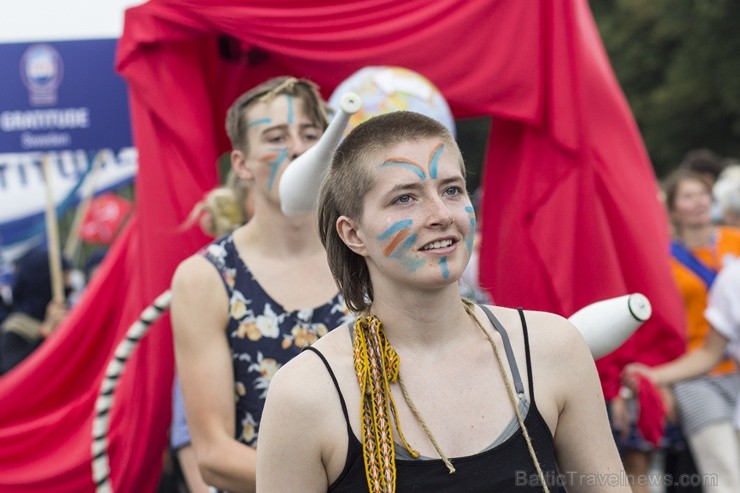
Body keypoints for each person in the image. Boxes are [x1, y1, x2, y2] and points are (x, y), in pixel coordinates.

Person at [256, 111, 627, 492]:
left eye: (452, 190)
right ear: (354, 234)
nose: (440, 215)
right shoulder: (306, 393)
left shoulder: (552, 348)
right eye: (404, 198)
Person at [170, 76, 353, 493]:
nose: (297, 148)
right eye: (275, 136)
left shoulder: (365, 255)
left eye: (311, 134)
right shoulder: (206, 277)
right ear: (241, 164)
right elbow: (214, 454)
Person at [649, 168, 740, 493]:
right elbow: (659, 324)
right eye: (688, 196)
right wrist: (662, 380)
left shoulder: (736, 241)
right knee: (724, 471)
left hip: (736, 368)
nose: (699, 202)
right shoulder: (663, 259)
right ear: (673, 208)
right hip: (697, 373)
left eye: (703, 194)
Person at [623, 257, 740, 490]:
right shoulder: (732, 279)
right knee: (726, 482)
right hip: (708, 390)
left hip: (728, 386)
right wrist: (654, 376)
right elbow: (709, 353)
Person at [0, 246, 71, 375]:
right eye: (63, 279)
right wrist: (44, 335)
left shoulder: (67, 318)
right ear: (43, 281)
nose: (69, 285)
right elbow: (11, 375)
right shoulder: (16, 328)